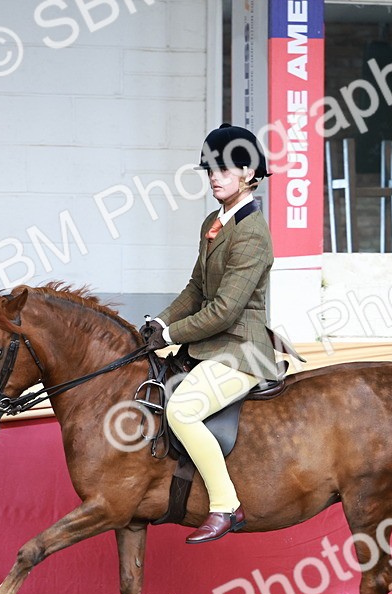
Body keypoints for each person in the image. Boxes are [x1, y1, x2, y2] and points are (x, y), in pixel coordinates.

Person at [141, 124, 288, 545]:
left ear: (249, 174)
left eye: (224, 170)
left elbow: (224, 311)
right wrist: (158, 321)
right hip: (208, 347)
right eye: (210, 170)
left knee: (181, 412)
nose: (214, 177)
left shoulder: (254, 233)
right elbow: (195, 289)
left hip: (241, 350)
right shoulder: (215, 221)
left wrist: (171, 332)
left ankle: (225, 505)